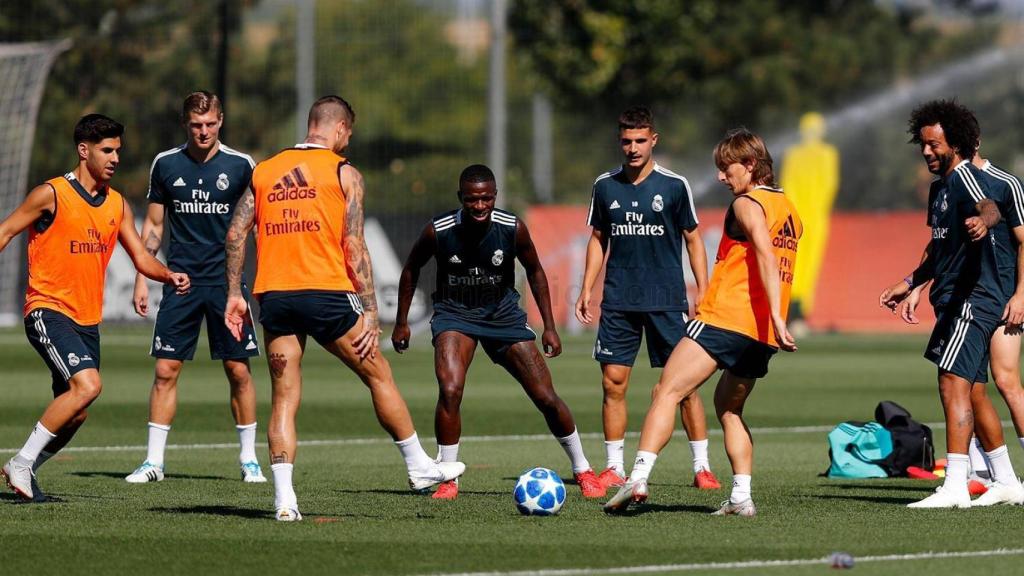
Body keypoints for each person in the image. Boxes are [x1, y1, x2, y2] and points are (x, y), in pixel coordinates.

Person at [223, 95, 464, 521]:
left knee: (284, 396)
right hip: (326, 295)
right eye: (347, 134)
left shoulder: (265, 171)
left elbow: (235, 234)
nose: (347, 141)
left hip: (274, 296)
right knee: (377, 373)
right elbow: (354, 245)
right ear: (338, 129)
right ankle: (418, 465)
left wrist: (234, 293)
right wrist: (371, 311)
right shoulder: (344, 172)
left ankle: (284, 501)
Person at [604, 128, 800, 517]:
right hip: (759, 336)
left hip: (726, 319)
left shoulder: (748, 203)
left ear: (750, 165)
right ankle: (742, 496)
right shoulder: (790, 209)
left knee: (666, 391)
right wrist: (776, 319)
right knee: (728, 408)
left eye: (726, 169)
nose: (721, 178)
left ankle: (638, 475)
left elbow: (762, 250)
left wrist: (777, 314)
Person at [0, 114, 190, 501]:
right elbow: (4, 231)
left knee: (77, 410)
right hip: (48, 310)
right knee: (88, 385)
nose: (115, 157)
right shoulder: (51, 194)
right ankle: (20, 463)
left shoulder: (116, 204)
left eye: (118, 150)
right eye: (107, 150)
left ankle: (26, 470)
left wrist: (168, 275)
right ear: (83, 151)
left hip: (87, 320)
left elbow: (140, 255)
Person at [391, 164, 605, 500]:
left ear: (495, 197)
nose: (480, 206)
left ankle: (583, 469)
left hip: (503, 316)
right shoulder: (438, 230)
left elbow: (535, 271)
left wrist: (549, 326)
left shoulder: (512, 228)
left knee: (545, 397)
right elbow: (411, 269)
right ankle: (448, 476)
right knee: (450, 388)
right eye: (472, 200)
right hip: (455, 315)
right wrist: (402, 320)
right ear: (461, 198)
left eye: (486, 199)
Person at [879, 99, 1024, 508]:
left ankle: (956, 485)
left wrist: (985, 221)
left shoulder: (964, 178)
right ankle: (1008, 480)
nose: (926, 152)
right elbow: (940, 249)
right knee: (975, 391)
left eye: (934, 145)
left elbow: (992, 208)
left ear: (956, 144)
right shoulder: (940, 187)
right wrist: (911, 282)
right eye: (922, 145)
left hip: (974, 297)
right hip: (954, 294)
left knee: (951, 380)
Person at [125, 91, 265, 484]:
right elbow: (152, 228)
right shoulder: (166, 164)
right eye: (195, 125)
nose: (203, 132)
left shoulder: (241, 166)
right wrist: (143, 277)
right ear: (185, 124)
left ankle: (249, 460)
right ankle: (154, 462)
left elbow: (256, 226)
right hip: (180, 282)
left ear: (221, 121)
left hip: (227, 286)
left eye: (210, 124)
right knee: (166, 369)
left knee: (238, 370)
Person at [575, 105, 717, 490]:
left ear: (653, 140)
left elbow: (693, 238)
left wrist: (703, 289)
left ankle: (702, 467)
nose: (633, 148)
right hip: (619, 299)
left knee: (685, 386)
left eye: (640, 140)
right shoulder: (605, 186)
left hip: (666, 300)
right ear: (619, 142)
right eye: (626, 141)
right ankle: (614, 467)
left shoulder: (674, 186)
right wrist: (587, 287)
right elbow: (598, 239)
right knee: (613, 383)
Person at [780, 111, 839, 327]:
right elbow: (830, 185)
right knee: (804, 266)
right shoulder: (827, 154)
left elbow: (787, 187)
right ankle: (796, 313)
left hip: (797, 218)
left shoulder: (794, 154)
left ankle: (794, 312)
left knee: (794, 264)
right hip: (812, 218)